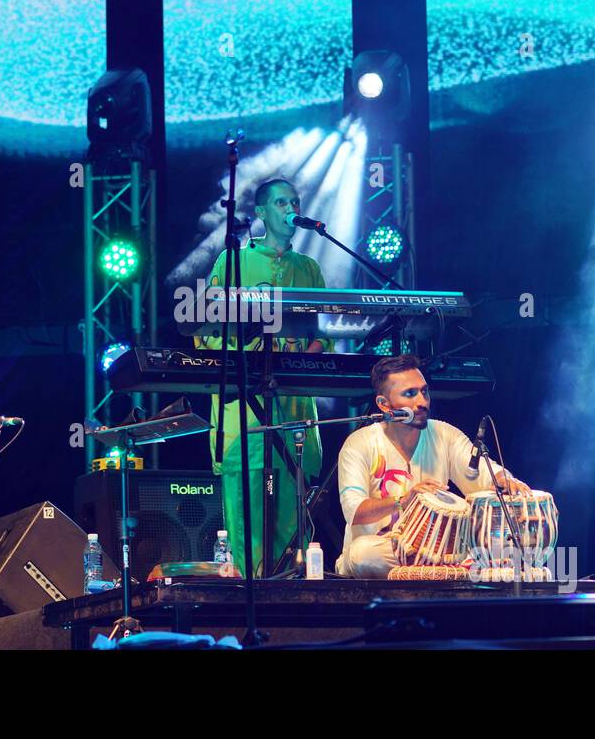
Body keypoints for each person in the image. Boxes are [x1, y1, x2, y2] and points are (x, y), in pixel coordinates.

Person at [195, 178, 330, 576]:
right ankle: (251, 597)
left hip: (293, 410)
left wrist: (304, 360)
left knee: (293, 514)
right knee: (248, 514)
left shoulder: (309, 269)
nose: (291, 207)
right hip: (246, 412)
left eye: (295, 201)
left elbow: (324, 335)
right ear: (262, 213)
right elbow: (207, 331)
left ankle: (293, 597)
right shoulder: (233, 261)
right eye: (281, 202)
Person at [336, 354, 531, 578]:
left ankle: (437, 570)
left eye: (424, 391)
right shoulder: (360, 443)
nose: (422, 402)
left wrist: (504, 479)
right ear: (384, 404)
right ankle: (448, 572)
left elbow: (480, 472)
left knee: (498, 554)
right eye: (409, 394)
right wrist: (403, 500)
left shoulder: (443, 434)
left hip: (437, 555)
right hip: (385, 552)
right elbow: (354, 511)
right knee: (362, 554)